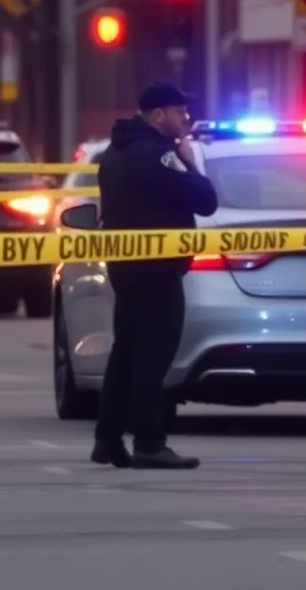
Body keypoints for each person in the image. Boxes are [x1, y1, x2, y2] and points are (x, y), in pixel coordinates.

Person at [91, 81, 218, 470]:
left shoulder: (115, 152)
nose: (186, 119)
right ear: (158, 115)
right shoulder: (161, 155)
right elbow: (206, 202)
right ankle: (149, 441)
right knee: (154, 356)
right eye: (179, 112)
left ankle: (108, 439)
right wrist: (190, 162)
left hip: (125, 268)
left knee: (126, 353)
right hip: (158, 270)